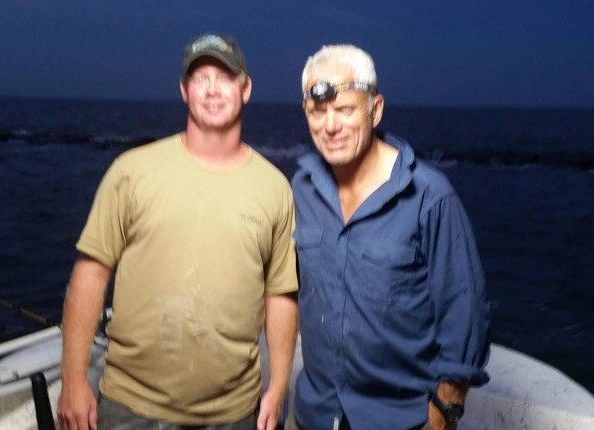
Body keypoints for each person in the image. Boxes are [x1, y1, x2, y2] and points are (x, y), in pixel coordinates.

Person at [57, 32, 298, 430]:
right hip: (131, 409)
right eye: (201, 78)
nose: (213, 89)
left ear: (246, 89)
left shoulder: (275, 189)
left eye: (225, 78)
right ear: (184, 91)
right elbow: (91, 272)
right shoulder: (131, 171)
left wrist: (279, 385)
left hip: (236, 414)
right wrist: (72, 379)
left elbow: (281, 294)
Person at [288, 45, 490, 430]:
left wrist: (444, 412)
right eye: (318, 112)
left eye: (345, 110)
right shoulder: (301, 188)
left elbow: (464, 314)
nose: (330, 126)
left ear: (375, 109)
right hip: (314, 415)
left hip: (401, 421)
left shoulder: (431, 197)